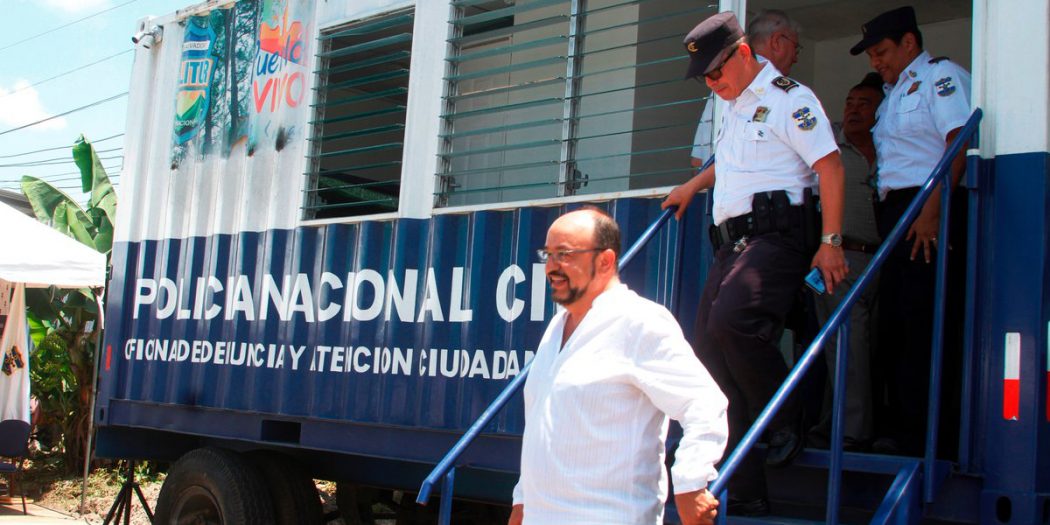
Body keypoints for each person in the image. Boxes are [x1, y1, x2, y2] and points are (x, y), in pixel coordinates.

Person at [662, 11, 847, 516]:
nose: (712, 83)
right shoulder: (735, 105)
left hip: (778, 237)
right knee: (708, 354)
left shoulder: (790, 99)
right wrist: (692, 186)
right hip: (734, 244)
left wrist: (830, 241)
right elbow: (731, 163)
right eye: (704, 78)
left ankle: (788, 417)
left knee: (733, 322)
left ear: (744, 53)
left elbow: (830, 166)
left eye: (716, 71)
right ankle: (743, 487)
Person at [509, 208, 729, 525]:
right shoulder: (557, 327)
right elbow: (543, 424)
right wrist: (522, 502)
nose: (552, 267)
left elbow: (704, 403)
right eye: (549, 255)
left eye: (565, 255)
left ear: (605, 261)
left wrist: (690, 483)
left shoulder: (639, 321)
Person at [850, 6, 971, 456]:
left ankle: (929, 437)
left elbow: (958, 142)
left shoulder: (940, 76)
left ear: (909, 43)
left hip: (927, 209)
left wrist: (932, 211)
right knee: (898, 322)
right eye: (871, 55)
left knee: (925, 321)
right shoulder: (892, 93)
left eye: (881, 52)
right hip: (897, 214)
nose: (876, 62)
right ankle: (902, 430)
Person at [807, 73, 884, 452]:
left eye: (864, 104)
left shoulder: (890, 146)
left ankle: (840, 425)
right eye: (849, 103)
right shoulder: (829, 148)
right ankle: (848, 433)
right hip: (840, 257)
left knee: (869, 347)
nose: (853, 110)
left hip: (882, 257)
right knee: (844, 343)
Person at [691, 9, 802, 167]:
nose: (796, 58)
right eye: (795, 47)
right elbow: (707, 160)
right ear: (776, 41)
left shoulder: (791, 96)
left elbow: (698, 160)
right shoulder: (728, 90)